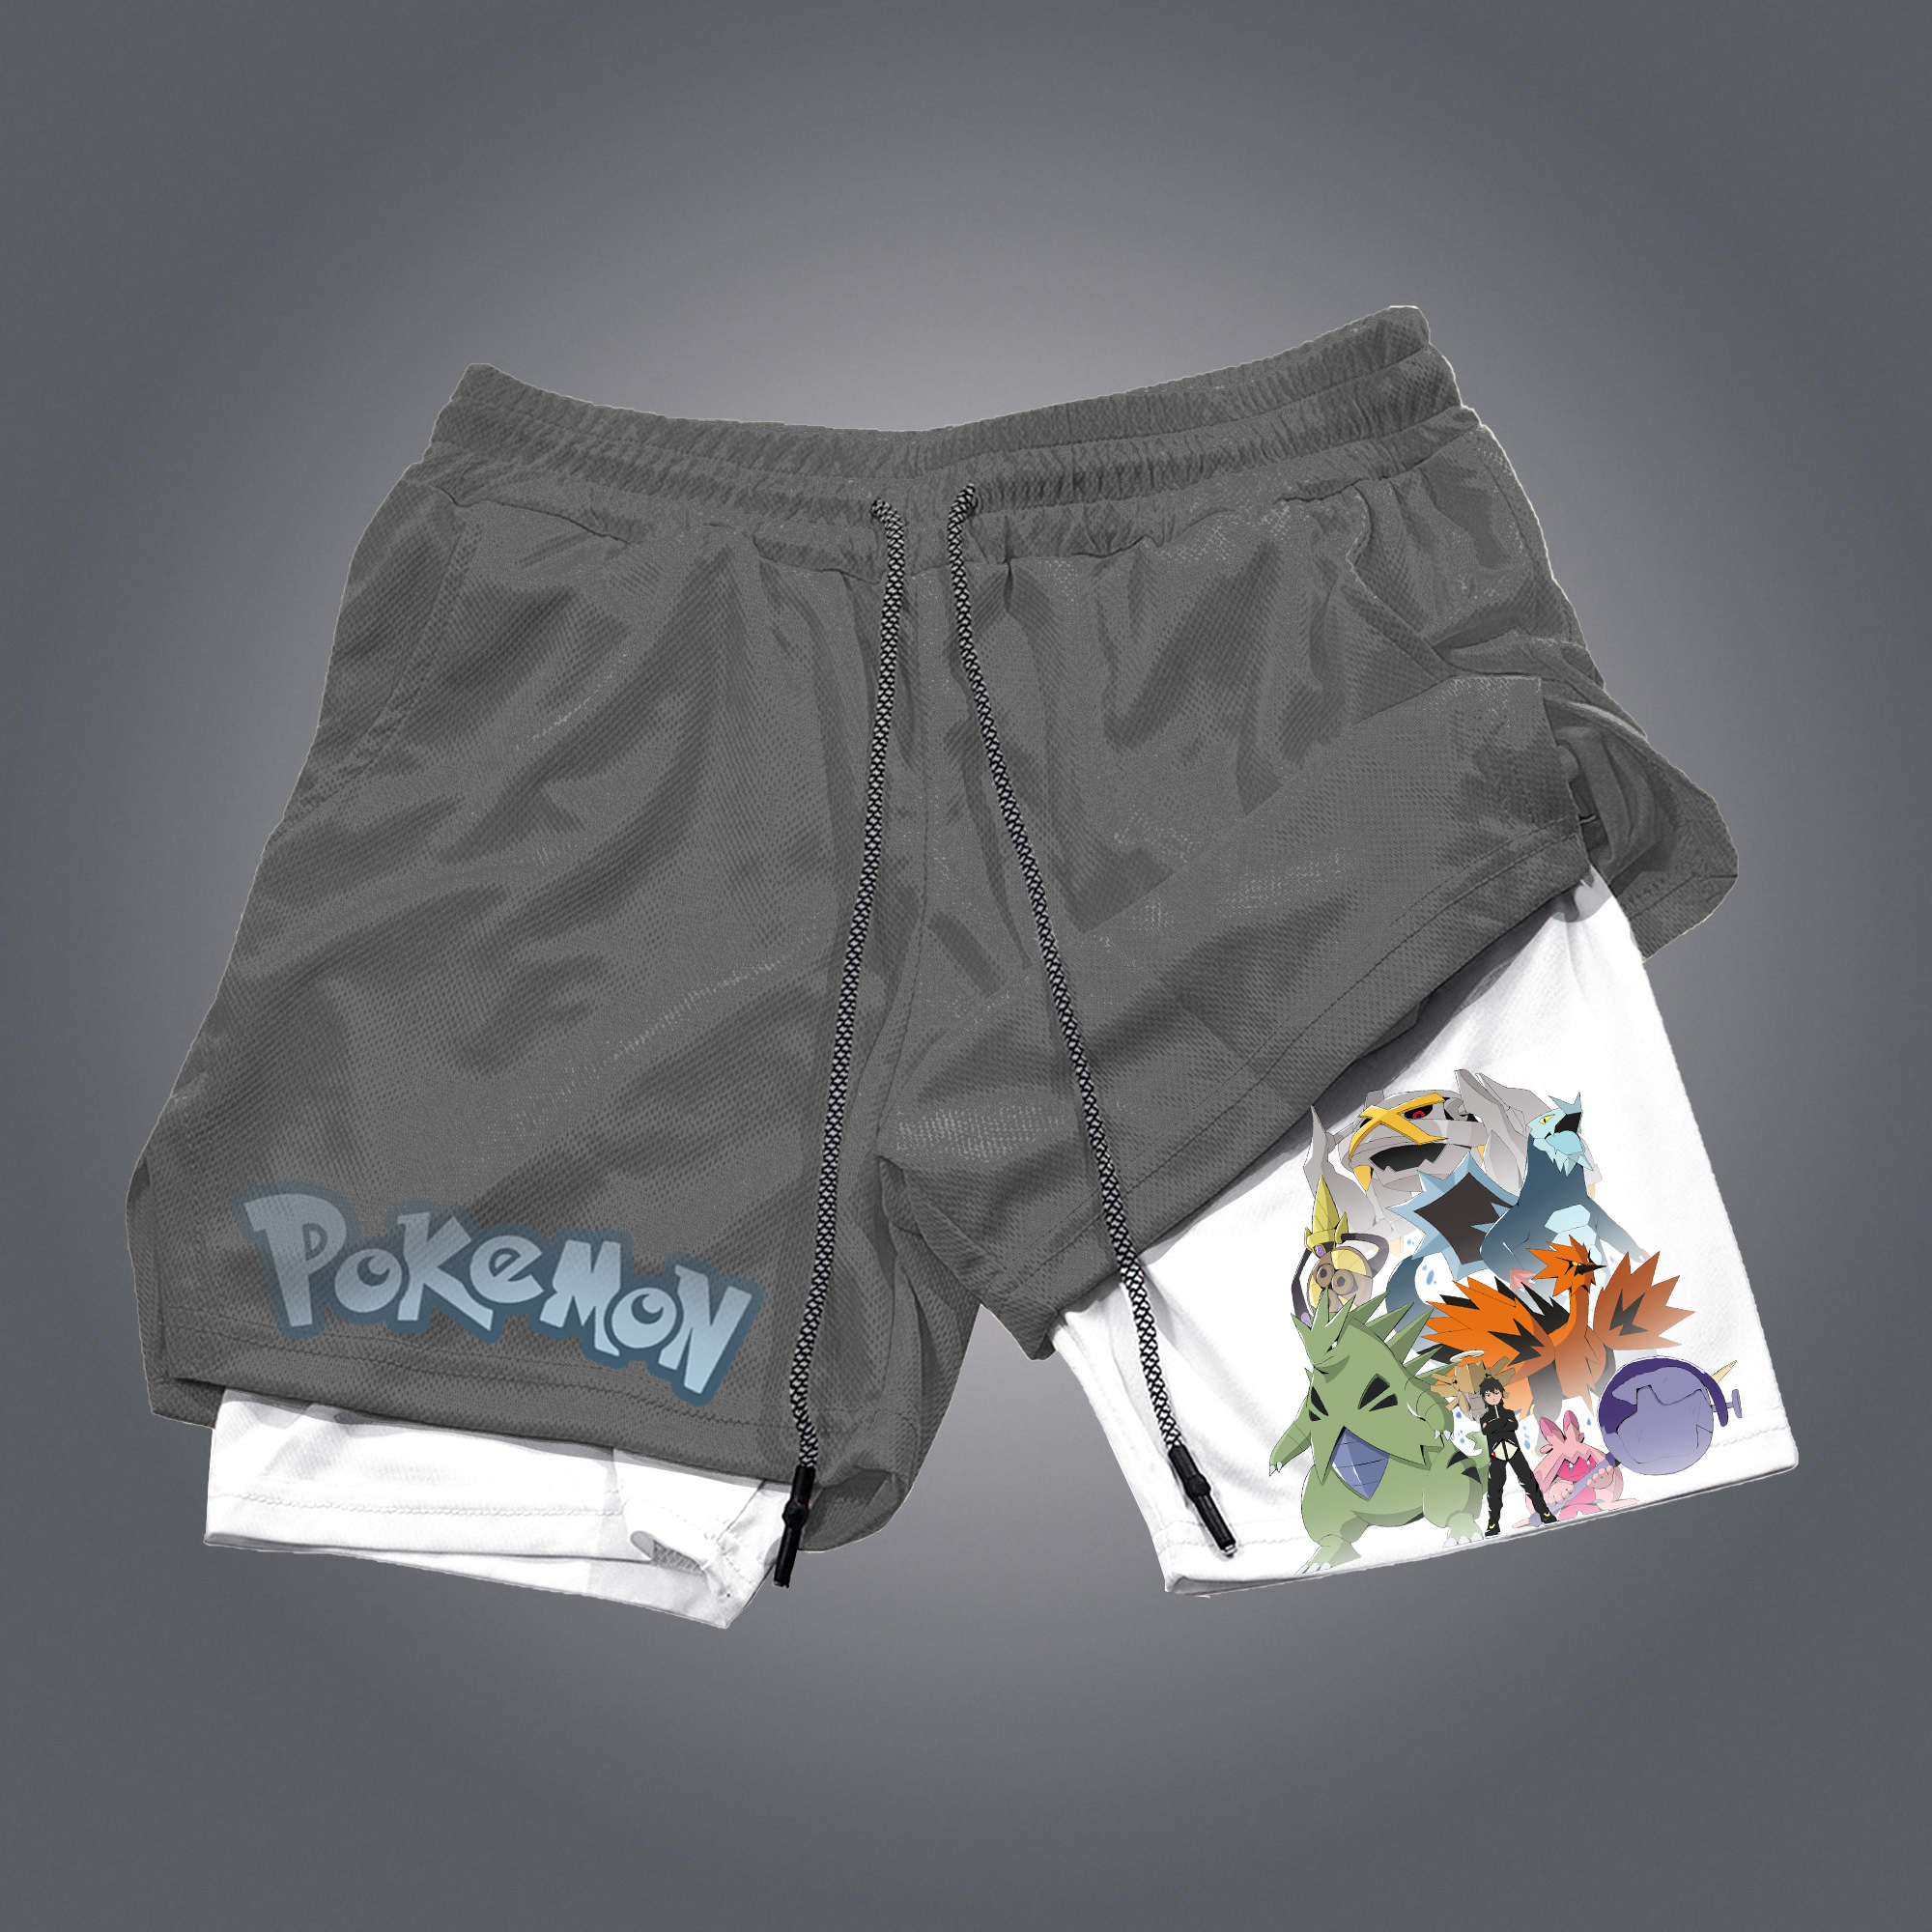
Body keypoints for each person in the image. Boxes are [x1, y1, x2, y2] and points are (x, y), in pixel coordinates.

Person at [1478, 1376, 1559, 1534]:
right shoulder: (1485, 1418)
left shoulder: (1508, 1412)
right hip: (1496, 1455)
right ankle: (1493, 1524)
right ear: (1484, 1397)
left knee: (1530, 1483)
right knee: (1494, 1490)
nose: (1493, 1397)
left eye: (1496, 1393)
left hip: (1514, 1451)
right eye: (1488, 1395)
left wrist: (1496, 1425)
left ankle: (1544, 1513)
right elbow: (1486, 1430)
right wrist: (1502, 1423)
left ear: (1501, 1393)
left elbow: (1513, 1425)